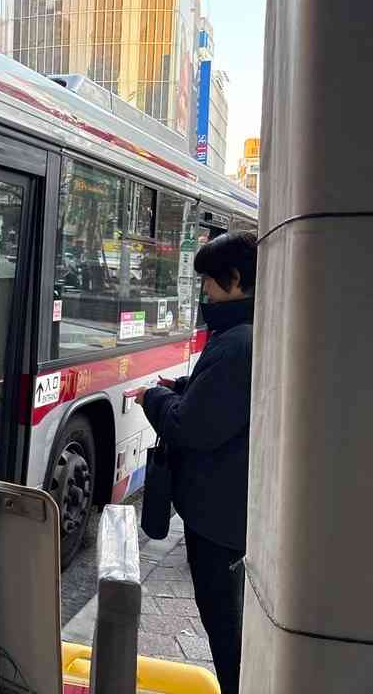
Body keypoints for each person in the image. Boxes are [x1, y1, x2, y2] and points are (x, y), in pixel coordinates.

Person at [135, 232, 257, 694]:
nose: (203, 290)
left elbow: (192, 428)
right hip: (227, 513)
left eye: (208, 280)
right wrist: (187, 385)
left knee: (225, 630)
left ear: (235, 279)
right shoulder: (245, 334)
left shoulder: (236, 342)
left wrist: (155, 396)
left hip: (219, 521)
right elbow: (222, 401)